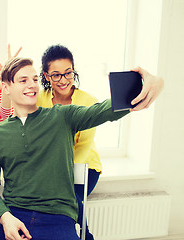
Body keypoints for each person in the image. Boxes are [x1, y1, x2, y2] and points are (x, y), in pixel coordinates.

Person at [0, 57, 164, 240]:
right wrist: (5, 217)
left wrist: (150, 85)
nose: (32, 85)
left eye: (34, 79)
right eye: (23, 80)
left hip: (58, 218)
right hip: (13, 216)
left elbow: (105, 110)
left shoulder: (62, 117)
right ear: (6, 88)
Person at [36, 44, 164, 240]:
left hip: (84, 166)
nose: (63, 80)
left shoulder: (88, 101)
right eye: (56, 75)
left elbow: (84, 145)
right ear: (46, 76)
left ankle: (86, 236)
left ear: (73, 71)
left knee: (68, 200)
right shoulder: (39, 100)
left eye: (68, 73)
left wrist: (60, 175)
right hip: (50, 167)